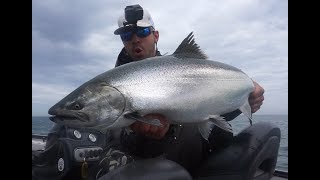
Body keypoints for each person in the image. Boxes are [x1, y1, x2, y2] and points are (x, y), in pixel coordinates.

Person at [33, 4, 265, 180]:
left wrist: (246, 96)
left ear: (155, 35)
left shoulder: (187, 71)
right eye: (126, 36)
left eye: (142, 32)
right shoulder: (113, 85)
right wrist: (140, 135)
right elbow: (116, 142)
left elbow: (209, 108)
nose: (135, 39)